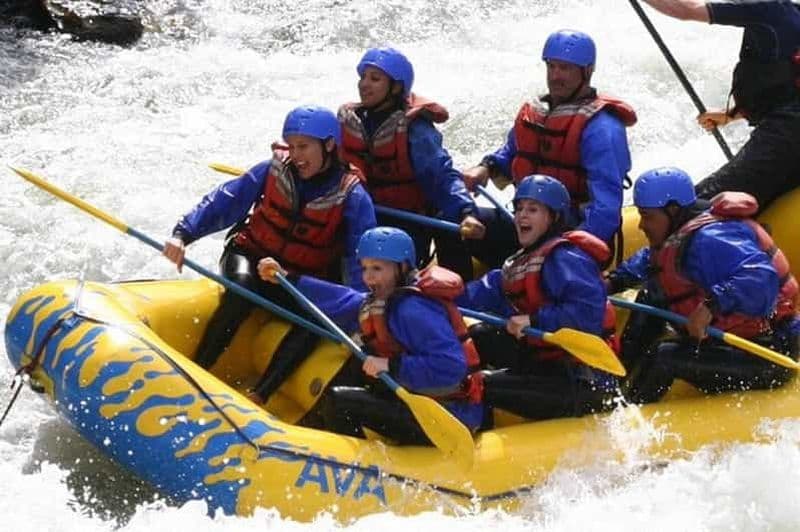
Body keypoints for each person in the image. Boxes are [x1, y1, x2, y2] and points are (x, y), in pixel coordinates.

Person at [162, 105, 376, 403]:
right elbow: (225, 201)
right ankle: (197, 368)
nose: (297, 155)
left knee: (317, 322)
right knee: (241, 292)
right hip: (249, 255)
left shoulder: (352, 196)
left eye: (304, 147)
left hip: (294, 278)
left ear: (329, 145)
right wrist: (183, 234)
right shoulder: (272, 169)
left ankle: (260, 394)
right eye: (292, 146)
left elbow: (359, 257)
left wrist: (361, 310)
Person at [256, 227, 484, 444]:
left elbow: (452, 366)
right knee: (362, 355)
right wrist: (288, 279)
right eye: (365, 268)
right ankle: (317, 422)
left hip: (449, 416)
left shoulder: (413, 312)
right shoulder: (386, 299)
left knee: (339, 401)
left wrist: (390, 365)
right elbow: (343, 299)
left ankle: (357, 465)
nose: (369, 278)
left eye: (377, 269)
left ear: (402, 268)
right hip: (418, 397)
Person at [606, 167, 799, 404]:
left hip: (767, 354)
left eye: (648, 216)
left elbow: (761, 278)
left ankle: (624, 413)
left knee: (664, 357)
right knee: (652, 294)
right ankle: (618, 376)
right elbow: (652, 260)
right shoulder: (682, 233)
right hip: (731, 342)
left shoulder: (711, 239)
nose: (642, 225)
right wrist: (612, 281)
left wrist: (710, 306)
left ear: (673, 210)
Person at [338, 46, 514, 280]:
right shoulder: (352, 121)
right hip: (367, 215)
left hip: (409, 223)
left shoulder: (415, 130)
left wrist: (465, 212)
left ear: (396, 87)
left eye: (375, 79)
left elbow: (442, 176)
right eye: (363, 77)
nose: (364, 84)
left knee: (445, 221)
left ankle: (455, 294)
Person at [461, 29, 636, 262]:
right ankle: (451, 291)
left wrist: (575, 251)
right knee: (451, 221)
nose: (555, 76)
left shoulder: (602, 128)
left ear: (587, 72)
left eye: (565, 68)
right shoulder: (536, 113)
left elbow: (605, 208)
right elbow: (512, 154)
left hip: (568, 233)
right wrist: (486, 167)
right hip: (526, 224)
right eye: (551, 66)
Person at [457, 175, 620, 421]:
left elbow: (588, 316)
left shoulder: (565, 258)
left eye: (533, 209)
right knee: (478, 335)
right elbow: (481, 292)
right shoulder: (519, 262)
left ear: (553, 217)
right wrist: (431, 298)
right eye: (519, 208)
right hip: (545, 361)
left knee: (484, 386)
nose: (522, 215)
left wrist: (534, 320)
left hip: (581, 378)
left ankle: (478, 434)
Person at [641, 0, 800, 211]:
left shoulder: (770, 8)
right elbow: (788, 87)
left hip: (784, 137)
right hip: (788, 135)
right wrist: (731, 115)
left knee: (695, 206)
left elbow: (685, 10)